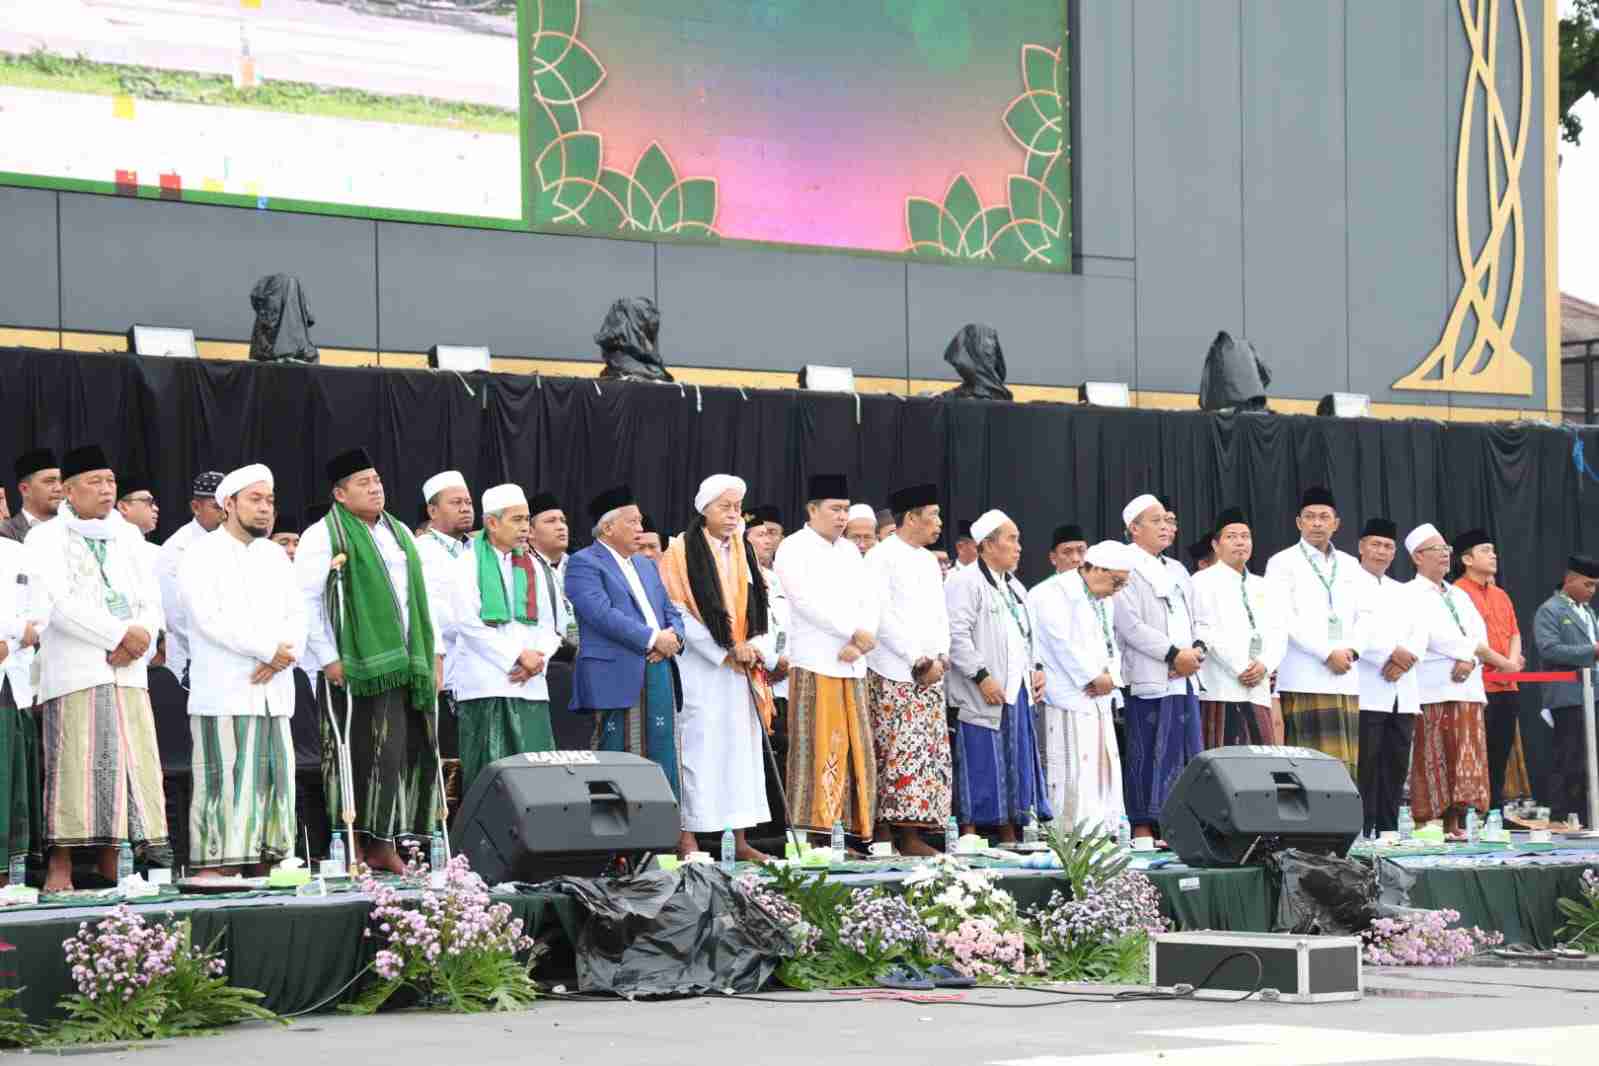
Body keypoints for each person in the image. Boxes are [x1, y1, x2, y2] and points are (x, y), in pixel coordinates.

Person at [23, 445, 166, 892]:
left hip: (128, 672)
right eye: (94, 482)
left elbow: (151, 600)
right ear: (69, 491)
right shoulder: (45, 538)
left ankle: (114, 868)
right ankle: (60, 868)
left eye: (110, 482)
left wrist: (141, 635)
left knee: (127, 771)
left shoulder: (129, 536)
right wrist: (119, 635)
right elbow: (56, 603)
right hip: (78, 670)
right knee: (73, 771)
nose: (106, 490)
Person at [296, 448, 443, 875]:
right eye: (364, 483)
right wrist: (328, 658)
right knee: (355, 755)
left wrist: (432, 655)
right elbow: (306, 602)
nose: (376, 488)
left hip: (405, 664)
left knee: (397, 756)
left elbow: (420, 599)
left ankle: (385, 843)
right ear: (340, 494)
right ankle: (353, 844)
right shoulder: (323, 535)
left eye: (377, 480)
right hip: (353, 667)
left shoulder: (400, 532)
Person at [179, 464, 303, 876]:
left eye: (270, 500)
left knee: (274, 781)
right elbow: (208, 619)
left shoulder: (275, 556)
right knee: (225, 782)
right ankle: (220, 867)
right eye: (255, 499)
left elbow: (298, 614)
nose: (265, 508)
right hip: (226, 690)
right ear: (228, 504)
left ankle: (269, 865)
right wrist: (268, 651)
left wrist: (284, 653)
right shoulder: (201, 554)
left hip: (274, 692)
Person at [661, 474, 776, 859]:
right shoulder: (679, 552)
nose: (732, 515)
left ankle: (739, 840)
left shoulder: (745, 551)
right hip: (702, 669)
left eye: (737, 508)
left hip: (742, 671)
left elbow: (762, 608)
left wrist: (754, 647)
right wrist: (724, 650)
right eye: (724, 507)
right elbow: (677, 611)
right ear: (704, 510)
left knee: (740, 754)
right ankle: (687, 839)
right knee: (698, 752)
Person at [773, 474, 880, 843]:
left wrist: (861, 641)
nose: (842, 516)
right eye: (835, 509)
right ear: (812, 509)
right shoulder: (793, 547)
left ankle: (851, 837)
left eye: (845, 509)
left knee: (854, 751)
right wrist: (852, 631)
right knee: (816, 749)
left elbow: (870, 599)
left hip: (852, 663)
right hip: (815, 662)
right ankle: (810, 838)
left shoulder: (849, 551)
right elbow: (804, 602)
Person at [566, 486, 686, 794]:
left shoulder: (645, 564)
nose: (640, 529)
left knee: (661, 748)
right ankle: (616, 824)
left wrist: (674, 637)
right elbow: (600, 614)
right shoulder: (584, 563)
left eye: (640, 521)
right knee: (617, 756)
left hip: (658, 667)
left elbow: (670, 610)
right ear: (607, 528)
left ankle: (662, 821)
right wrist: (653, 638)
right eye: (632, 522)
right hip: (616, 671)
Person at [448, 484, 562, 795]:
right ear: (492, 523)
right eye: (517, 519)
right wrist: (517, 656)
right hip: (486, 685)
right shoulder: (466, 563)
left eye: (527, 519)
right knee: (491, 779)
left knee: (538, 780)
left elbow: (553, 625)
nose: (525, 527)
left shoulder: (535, 566)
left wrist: (537, 660)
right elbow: (468, 624)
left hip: (532, 685)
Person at [944, 509, 1049, 841]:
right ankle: (969, 831)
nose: (1019, 547)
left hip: (1016, 687)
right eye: (1011, 540)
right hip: (981, 688)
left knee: (1014, 759)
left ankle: (1009, 831)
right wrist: (981, 676)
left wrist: (1037, 670)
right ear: (988, 545)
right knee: (980, 757)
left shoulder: (1015, 587)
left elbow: (1028, 636)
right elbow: (956, 635)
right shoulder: (964, 582)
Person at [1404, 524, 1513, 838]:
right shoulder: (1409, 593)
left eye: (1446, 549)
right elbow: (1431, 634)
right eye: (1436, 549)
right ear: (1417, 557)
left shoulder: (1458, 594)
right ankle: (1428, 822)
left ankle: (1458, 822)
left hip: (1467, 687)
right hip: (1433, 687)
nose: (1444, 555)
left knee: (1465, 758)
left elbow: (1479, 633)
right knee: (1433, 756)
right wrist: (1469, 653)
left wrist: (1473, 659)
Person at [863, 484, 952, 856]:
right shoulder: (880, 557)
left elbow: (939, 614)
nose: (939, 523)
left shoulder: (928, 561)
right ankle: (885, 833)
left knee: (923, 756)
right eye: (933, 515)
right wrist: (917, 658)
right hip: (894, 670)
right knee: (892, 751)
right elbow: (881, 616)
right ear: (911, 518)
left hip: (929, 674)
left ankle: (913, 835)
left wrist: (941, 655)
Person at [1114, 493, 1203, 839]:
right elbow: (1130, 625)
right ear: (1134, 529)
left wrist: (1196, 652)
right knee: (1147, 749)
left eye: (1168, 520)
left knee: (1184, 752)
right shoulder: (1125, 566)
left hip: (1185, 676)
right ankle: (1142, 826)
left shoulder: (1178, 569)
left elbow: (1198, 620)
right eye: (1156, 521)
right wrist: (1173, 654)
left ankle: (1179, 827)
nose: (1166, 526)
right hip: (1150, 674)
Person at [1264, 487, 1366, 780]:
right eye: (1310, 517)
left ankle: (1341, 813)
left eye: (1324, 517)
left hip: (1346, 677)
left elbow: (1367, 615)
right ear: (1299, 522)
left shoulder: (1350, 564)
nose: (1317, 523)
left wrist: (1352, 651)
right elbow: (1283, 617)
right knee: (1307, 767)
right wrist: (1326, 652)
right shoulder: (1282, 562)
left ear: (1336, 523)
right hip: (1304, 677)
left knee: (1344, 768)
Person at [1032, 539, 1132, 830]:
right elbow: (1061, 644)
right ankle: (1067, 833)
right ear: (1096, 569)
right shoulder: (1052, 593)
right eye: (1116, 582)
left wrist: (1112, 678)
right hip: (1067, 695)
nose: (1117, 590)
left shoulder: (1103, 600)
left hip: (1099, 695)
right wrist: (1092, 677)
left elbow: (1111, 643)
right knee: (1072, 768)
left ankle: (1101, 830)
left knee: (1100, 770)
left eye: (1123, 584)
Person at [1351, 518, 1424, 835]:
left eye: (1388, 546)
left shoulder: (1403, 591)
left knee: (1396, 763)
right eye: (1376, 544)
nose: (1381, 552)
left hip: (1402, 690)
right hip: (1367, 687)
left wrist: (1406, 658)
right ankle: (1363, 829)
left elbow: (1421, 632)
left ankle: (1389, 830)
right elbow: (1353, 632)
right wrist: (1389, 654)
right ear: (1361, 547)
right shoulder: (1348, 584)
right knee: (1366, 763)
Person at [1193, 508, 1286, 747]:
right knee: (1222, 758)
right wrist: (1241, 667)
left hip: (1258, 687)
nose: (1240, 542)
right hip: (1221, 688)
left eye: (1245, 536)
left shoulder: (1264, 586)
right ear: (1216, 545)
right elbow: (1204, 630)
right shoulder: (1201, 581)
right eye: (1231, 536)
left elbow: (1279, 632)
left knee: (1260, 759)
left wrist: (1264, 665)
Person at [1451, 530, 1528, 811]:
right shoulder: (1457, 593)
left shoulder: (1500, 595)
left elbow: (1515, 632)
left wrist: (1513, 662)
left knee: (1500, 753)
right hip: (1477, 687)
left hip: (1507, 686)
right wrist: (1506, 664)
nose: (1493, 555)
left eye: (1493, 550)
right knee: (1474, 754)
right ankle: (1472, 813)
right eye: (1485, 550)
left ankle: (1495, 812)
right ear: (1467, 559)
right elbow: (1471, 642)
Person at [1533, 556, 1599, 824]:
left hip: (1592, 693)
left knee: (1590, 760)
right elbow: (1549, 649)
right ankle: (1562, 816)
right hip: (1567, 694)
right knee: (1569, 759)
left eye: (1595, 586)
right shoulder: (1550, 610)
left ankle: (1586, 815)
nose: (1592, 591)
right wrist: (1592, 651)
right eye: (1588, 584)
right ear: (1569, 580)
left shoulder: (1588, 611)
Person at [155, 471, 226, 686]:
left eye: (228, 506)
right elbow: (175, 615)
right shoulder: (177, 549)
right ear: (196, 507)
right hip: (192, 656)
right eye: (217, 507)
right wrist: (216, 650)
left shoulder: (234, 543)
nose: (225, 514)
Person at [0, 530, 41, 884]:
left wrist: (10, 642)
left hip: (13, 680)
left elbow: (39, 614)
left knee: (11, 786)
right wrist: (14, 630)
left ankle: (9, 882)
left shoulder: (17, 552)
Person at [415, 471, 474, 706]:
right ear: (433, 511)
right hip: (446, 677)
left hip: (482, 678)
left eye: (468, 502)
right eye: (456, 503)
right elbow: (436, 615)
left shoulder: (477, 550)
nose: (465, 508)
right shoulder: (421, 551)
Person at [529, 492, 578, 651]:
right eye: (551, 521)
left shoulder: (579, 565)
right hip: (543, 654)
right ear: (530, 531)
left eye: (563, 521)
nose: (560, 526)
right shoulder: (523, 568)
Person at [0, 449, 62, 543]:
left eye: (61, 481)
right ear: (25, 489)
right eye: (49, 481)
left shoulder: (74, 527)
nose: (59, 488)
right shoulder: (6, 532)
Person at [745, 505, 785, 570]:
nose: (767, 540)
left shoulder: (788, 570)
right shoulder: (735, 571)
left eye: (772, 533)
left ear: (781, 539)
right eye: (760, 534)